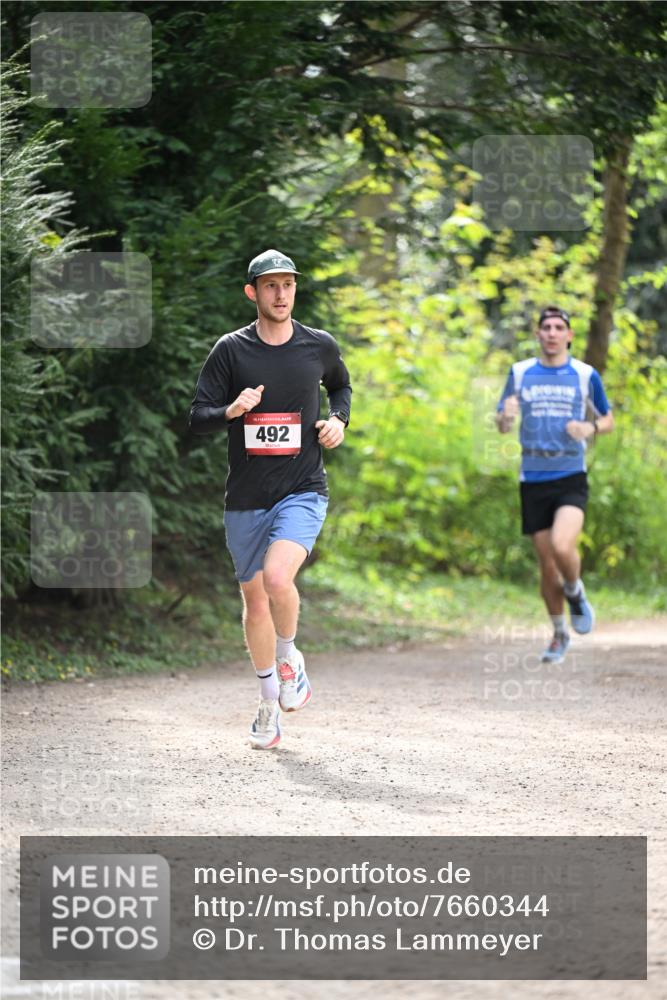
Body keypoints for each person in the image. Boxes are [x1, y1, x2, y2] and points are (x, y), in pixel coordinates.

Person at [189, 250, 351, 748]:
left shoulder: (316, 345)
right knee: (254, 602)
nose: (281, 294)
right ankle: (267, 706)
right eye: (271, 286)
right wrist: (232, 410)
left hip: (302, 488)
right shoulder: (231, 351)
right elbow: (198, 416)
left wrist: (338, 421)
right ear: (252, 293)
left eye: (288, 285)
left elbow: (341, 386)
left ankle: (289, 657)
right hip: (246, 496)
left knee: (278, 578)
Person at [496, 306, 614, 663]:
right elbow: (502, 423)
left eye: (558, 327)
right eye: (545, 327)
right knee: (547, 565)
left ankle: (575, 592)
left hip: (570, 476)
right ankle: (559, 633)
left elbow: (608, 419)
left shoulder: (584, 374)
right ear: (538, 334)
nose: (551, 333)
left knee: (564, 547)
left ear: (569, 335)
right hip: (532, 478)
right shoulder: (519, 373)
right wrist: (507, 416)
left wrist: (590, 428)